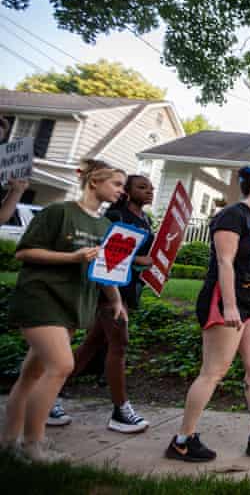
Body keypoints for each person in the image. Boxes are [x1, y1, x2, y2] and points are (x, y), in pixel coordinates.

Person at [165, 166, 250, 462]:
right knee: (214, 372)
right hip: (225, 300)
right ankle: (182, 440)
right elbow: (225, 262)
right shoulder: (232, 216)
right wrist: (230, 305)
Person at [1, 159, 128, 462]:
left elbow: (105, 269)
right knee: (61, 366)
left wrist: (115, 299)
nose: (121, 191)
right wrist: (72, 258)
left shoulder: (106, 226)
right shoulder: (59, 212)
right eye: (117, 184)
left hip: (72, 304)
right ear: (94, 181)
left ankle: (8, 443)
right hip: (42, 297)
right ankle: (35, 444)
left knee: (32, 374)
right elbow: (24, 251)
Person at [50, 175, 156, 432]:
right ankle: (120, 411)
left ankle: (49, 395)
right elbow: (106, 255)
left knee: (90, 346)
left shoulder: (146, 220)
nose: (149, 192)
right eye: (142, 188)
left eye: (151, 188)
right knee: (119, 344)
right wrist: (139, 260)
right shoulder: (116, 218)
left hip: (128, 289)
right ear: (128, 192)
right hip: (106, 289)